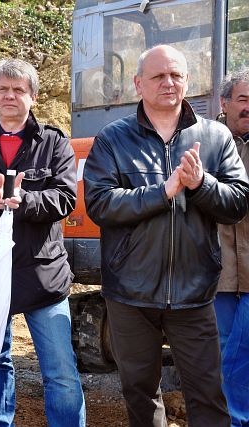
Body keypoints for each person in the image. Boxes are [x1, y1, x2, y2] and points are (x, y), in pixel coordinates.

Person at [83, 45, 249, 427]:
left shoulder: (215, 136)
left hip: (194, 292)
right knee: (140, 395)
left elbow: (238, 203)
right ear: (138, 83)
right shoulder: (113, 139)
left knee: (208, 395)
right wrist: (162, 192)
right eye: (158, 76)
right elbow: (100, 204)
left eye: (176, 75)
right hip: (130, 292)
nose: (168, 83)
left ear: (187, 81)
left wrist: (201, 183)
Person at [0, 59, 86, 427]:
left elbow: (66, 198)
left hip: (42, 272)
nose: (10, 96)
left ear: (33, 97)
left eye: (19, 90)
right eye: (3, 89)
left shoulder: (53, 143)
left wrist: (26, 199)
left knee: (59, 369)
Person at [216, 68, 249, 427]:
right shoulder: (206, 140)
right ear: (224, 103)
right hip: (218, 269)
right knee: (225, 349)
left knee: (241, 350)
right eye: (243, 99)